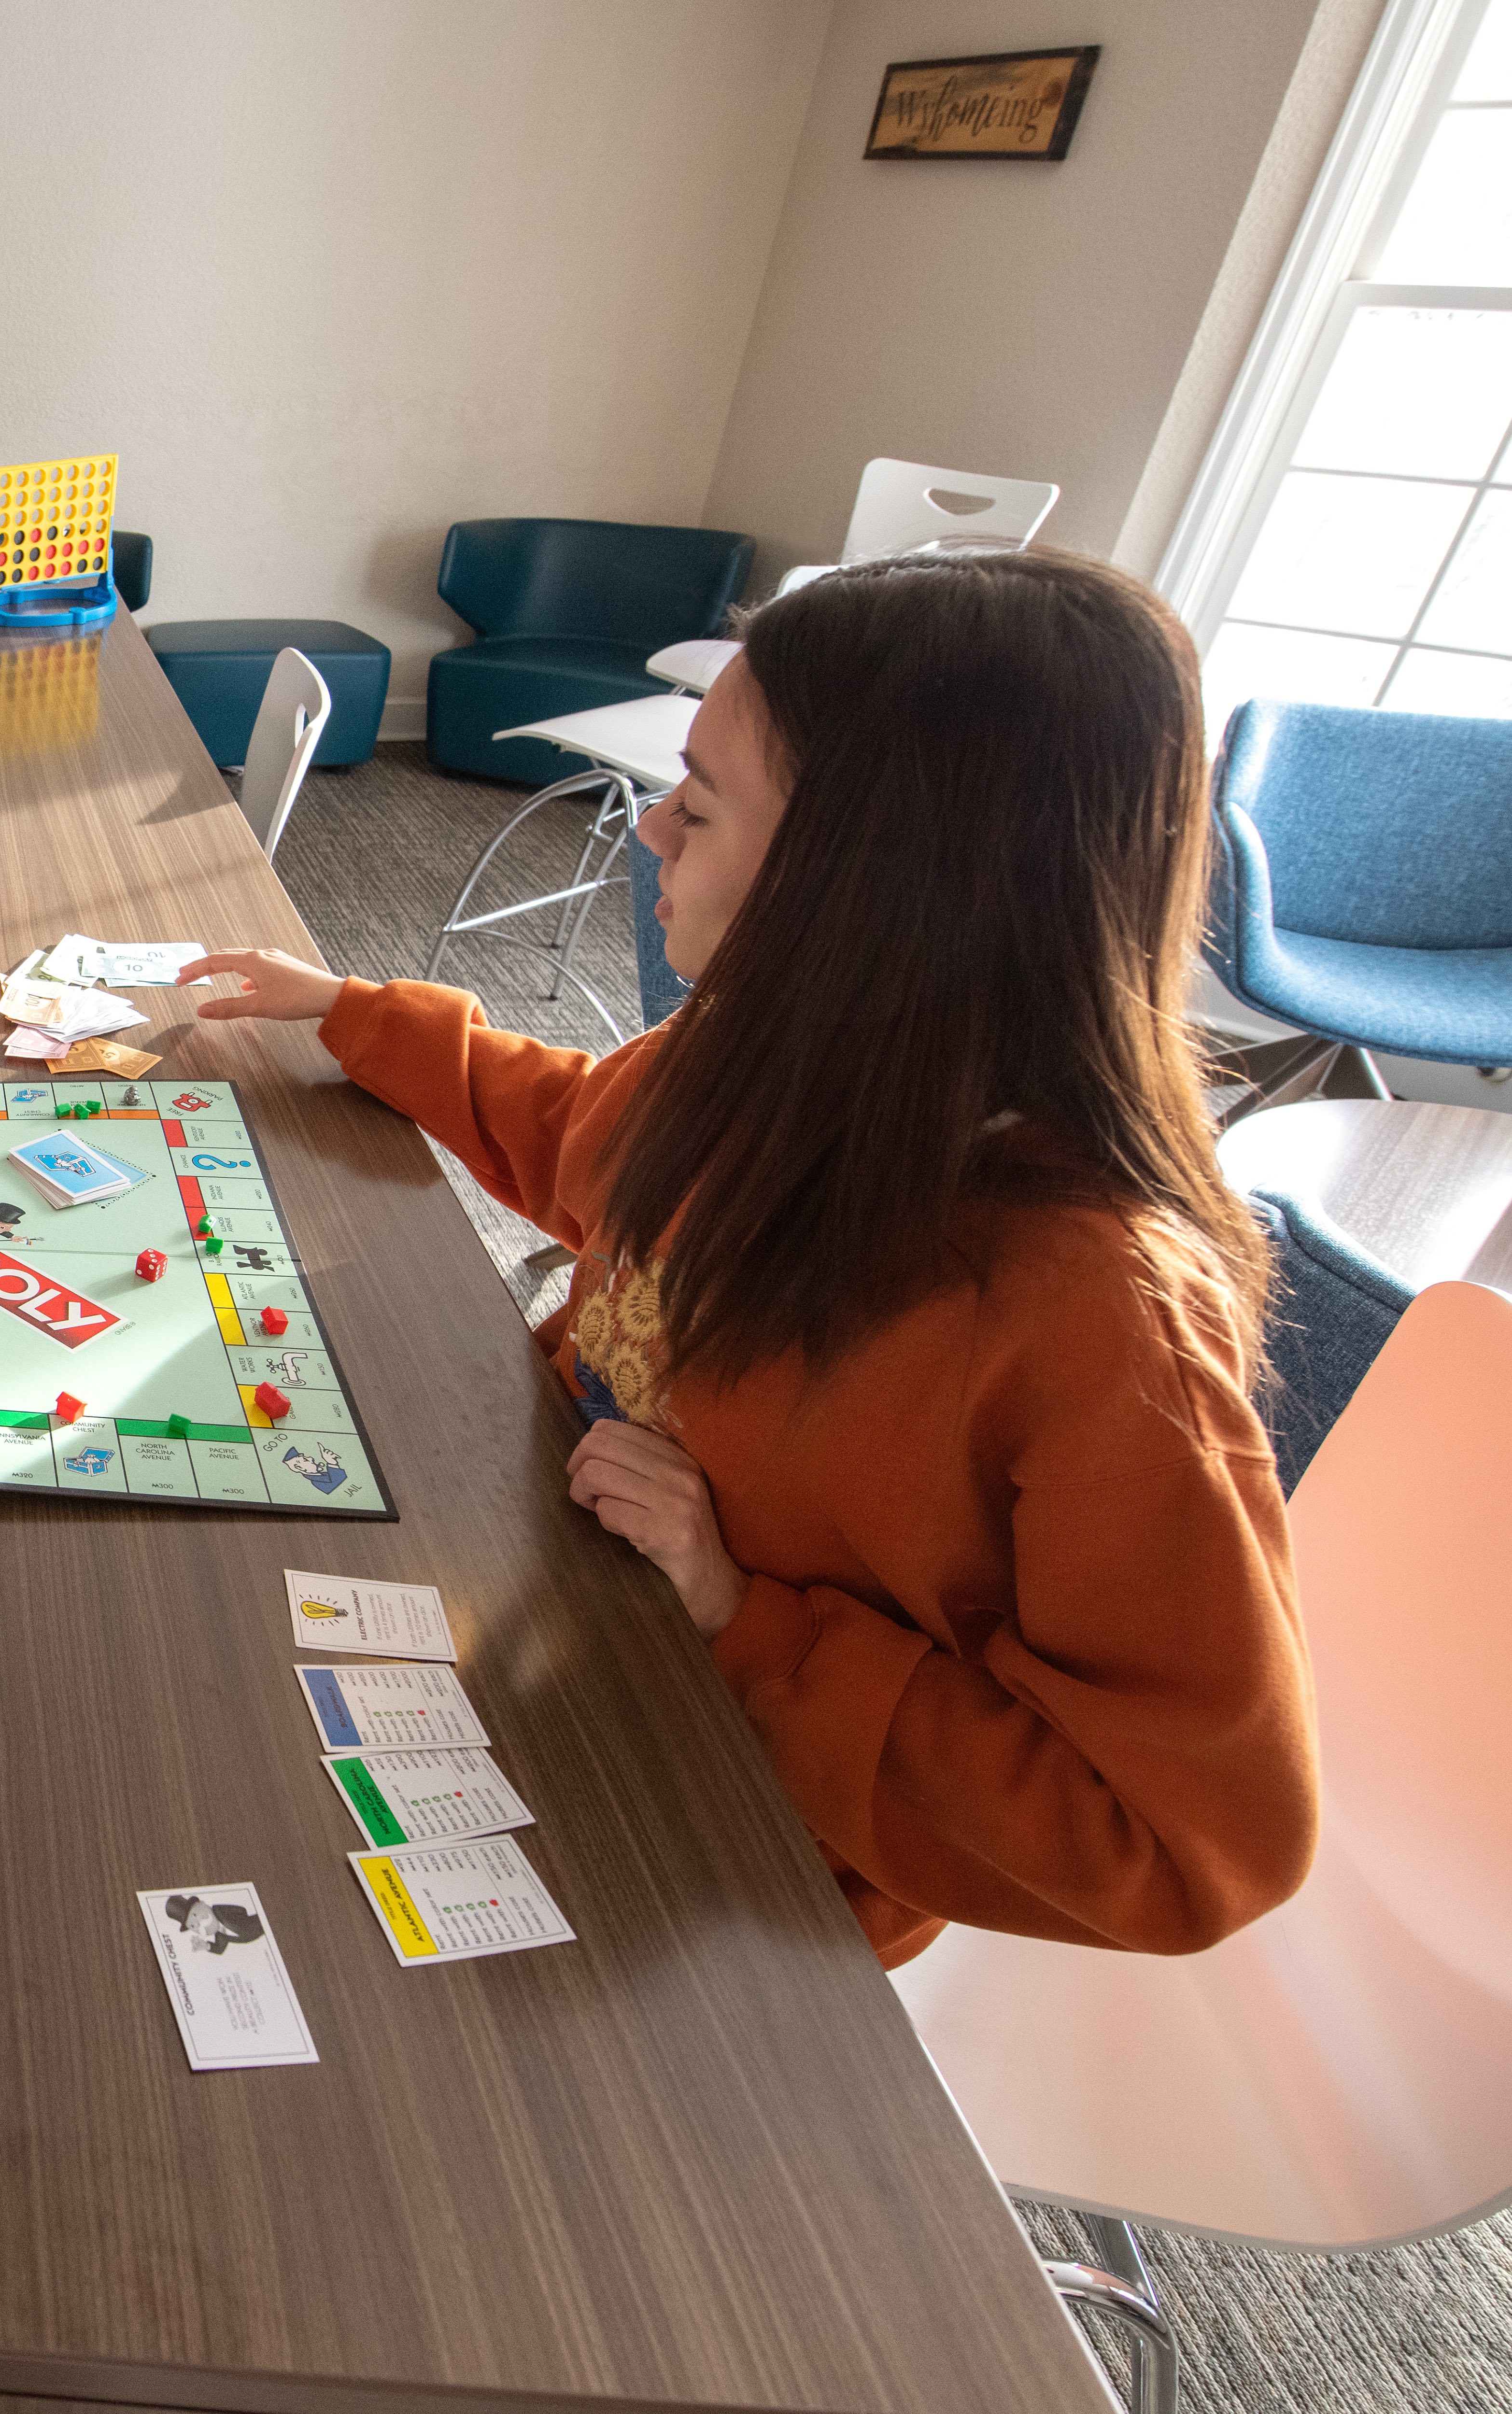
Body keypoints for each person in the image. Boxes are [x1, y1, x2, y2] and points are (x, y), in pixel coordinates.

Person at [186, 548, 1317, 1966]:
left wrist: (736, 1608)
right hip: (557, 1603)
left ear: (873, 891)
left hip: (756, 1845)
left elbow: (1178, 1848)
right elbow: (582, 1143)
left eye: (698, 806)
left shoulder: (1103, 1320)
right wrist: (352, 1013)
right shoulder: (752, 1056)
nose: (650, 832)